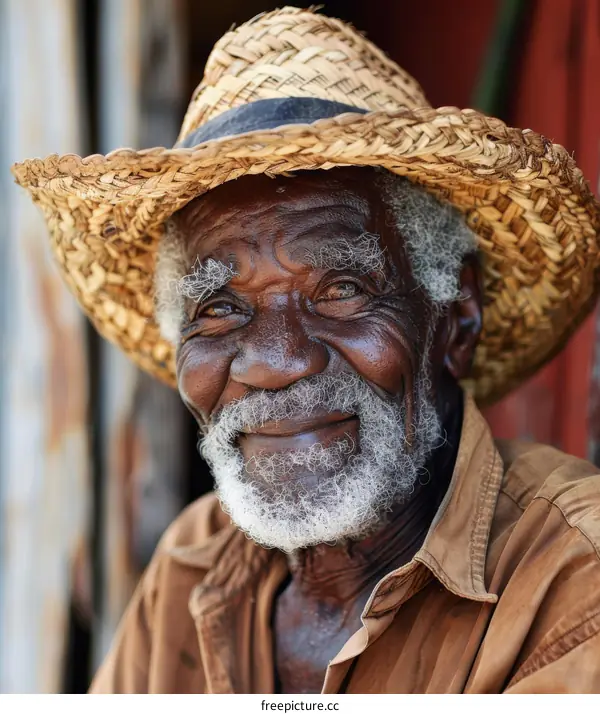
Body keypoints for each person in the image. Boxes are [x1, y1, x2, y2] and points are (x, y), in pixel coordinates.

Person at [13, 6, 600, 694]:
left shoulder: (574, 578)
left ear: (455, 320)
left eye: (342, 289)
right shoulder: (192, 565)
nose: (275, 361)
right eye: (220, 308)